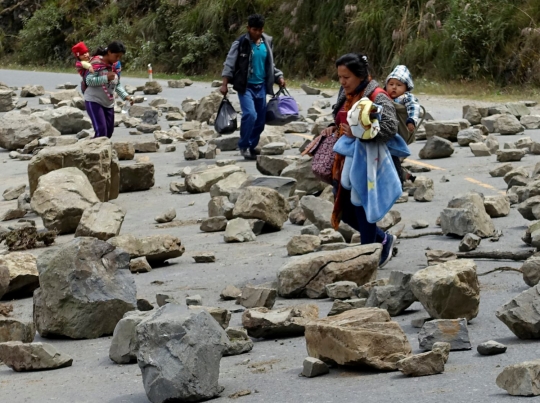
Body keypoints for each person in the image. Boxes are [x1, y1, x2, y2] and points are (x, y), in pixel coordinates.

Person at [322, 53, 401, 267]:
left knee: (362, 207)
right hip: (344, 159)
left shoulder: (377, 95)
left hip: (368, 161)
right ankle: (383, 239)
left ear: (360, 75)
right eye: (339, 77)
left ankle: (368, 258)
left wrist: (358, 133)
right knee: (345, 210)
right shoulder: (347, 92)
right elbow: (339, 114)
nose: (342, 82)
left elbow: (390, 128)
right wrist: (333, 126)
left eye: (346, 77)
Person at [220, 14, 286, 160]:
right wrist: (224, 84)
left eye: (260, 30)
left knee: (261, 121)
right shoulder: (240, 43)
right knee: (250, 115)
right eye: (254, 29)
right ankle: (243, 146)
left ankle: (252, 145)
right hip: (245, 87)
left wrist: (279, 77)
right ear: (248, 28)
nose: (257, 33)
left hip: (261, 86)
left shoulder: (267, 42)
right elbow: (229, 63)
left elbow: (270, 64)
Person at [83, 41, 132, 139]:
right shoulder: (96, 63)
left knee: (109, 132)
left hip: (108, 103)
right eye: (116, 56)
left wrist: (125, 96)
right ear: (109, 52)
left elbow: (116, 83)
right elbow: (89, 81)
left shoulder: (116, 66)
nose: (117, 59)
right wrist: (106, 78)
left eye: (120, 57)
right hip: (94, 100)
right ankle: (93, 151)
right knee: (101, 131)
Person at [385, 65, 421, 133]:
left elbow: (414, 106)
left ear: (406, 88)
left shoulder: (406, 97)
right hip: (386, 127)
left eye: (399, 85)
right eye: (391, 84)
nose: (394, 87)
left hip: (401, 129)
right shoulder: (383, 96)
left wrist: (411, 120)